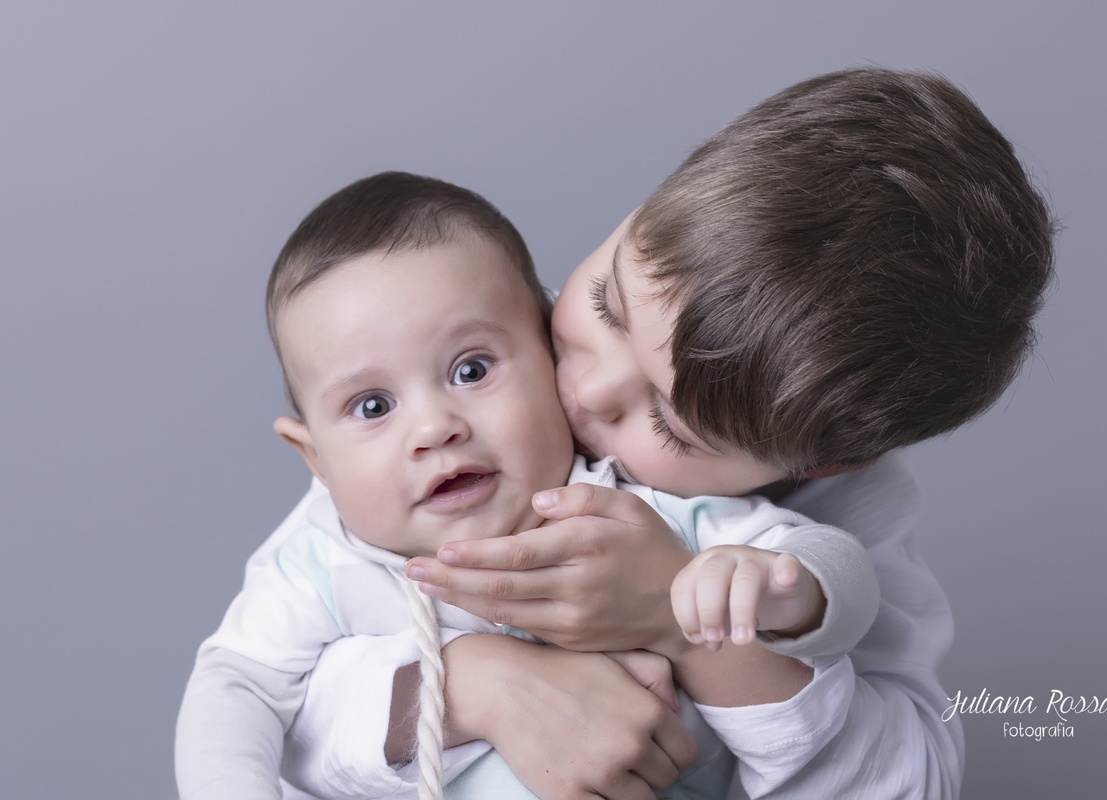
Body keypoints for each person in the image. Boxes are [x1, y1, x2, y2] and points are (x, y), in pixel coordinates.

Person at [269, 67, 1056, 799]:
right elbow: (266, 690)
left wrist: (680, 627)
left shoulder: (834, 496)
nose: (587, 387)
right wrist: (473, 682)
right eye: (606, 304)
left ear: (824, 464)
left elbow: (912, 778)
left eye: (669, 424)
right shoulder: (464, 370)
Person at [175, 171, 884, 800]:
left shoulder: (631, 512)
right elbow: (234, 691)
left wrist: (793, 591)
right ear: (315, 459)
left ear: (548, 352)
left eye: (471, 370)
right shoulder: (322, 564)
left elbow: (832, 563)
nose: (434, 427)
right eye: (373, 407)